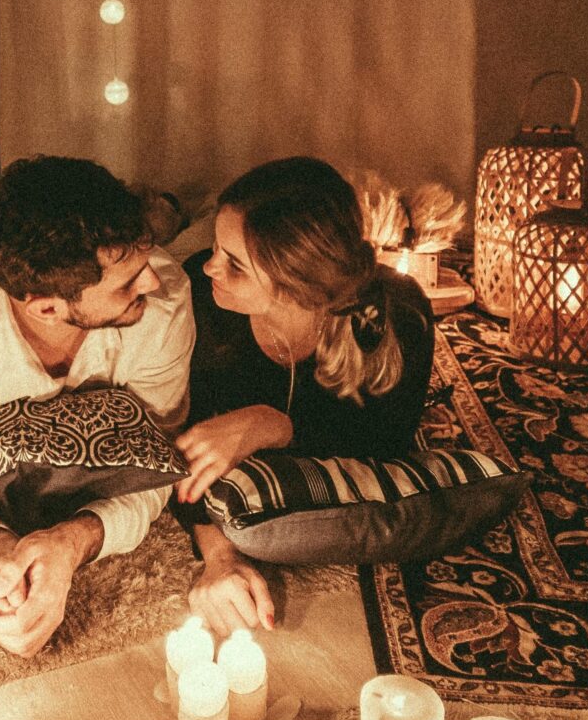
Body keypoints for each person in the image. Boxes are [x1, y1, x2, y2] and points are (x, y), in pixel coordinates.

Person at [0, 156, 195, 658]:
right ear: (46, 308)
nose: (151, 284)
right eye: (125, 283)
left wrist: (73, 542)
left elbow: (158, 462)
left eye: (143, 264)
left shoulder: (163, 304)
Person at [174, 156, 435, 637]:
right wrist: (219, 556)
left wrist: (273, 423)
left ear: (298, 283)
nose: (212, 266)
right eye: (215, 246)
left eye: (235, 264)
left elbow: (384, 446)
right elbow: (175, 452)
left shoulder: (398, 316)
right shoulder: (197, 298)